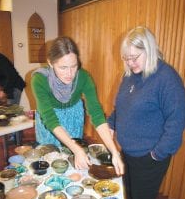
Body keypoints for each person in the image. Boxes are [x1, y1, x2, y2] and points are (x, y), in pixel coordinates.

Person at [108, 26, 185, 199]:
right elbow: (120, 108)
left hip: (150, 155)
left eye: (135, 57)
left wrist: (157, 153)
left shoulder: (166, 78)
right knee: (129, 193)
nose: (130, 63)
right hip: (128, 151)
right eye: (127, 58)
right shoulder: (129, 76)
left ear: (150, 50)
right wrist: (110, 124)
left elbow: (177, 120)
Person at [31, 36, 124, 174]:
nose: (70, 74)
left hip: (73, 117)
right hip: (51, 122)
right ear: (50, 63)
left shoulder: (84, 77)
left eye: (74, 66)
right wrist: (77, 149)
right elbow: (50, 119)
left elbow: (97, 114)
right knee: (51, 163)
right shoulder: (39, 80)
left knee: (72, 162)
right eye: (63, 67)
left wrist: (114, 151)